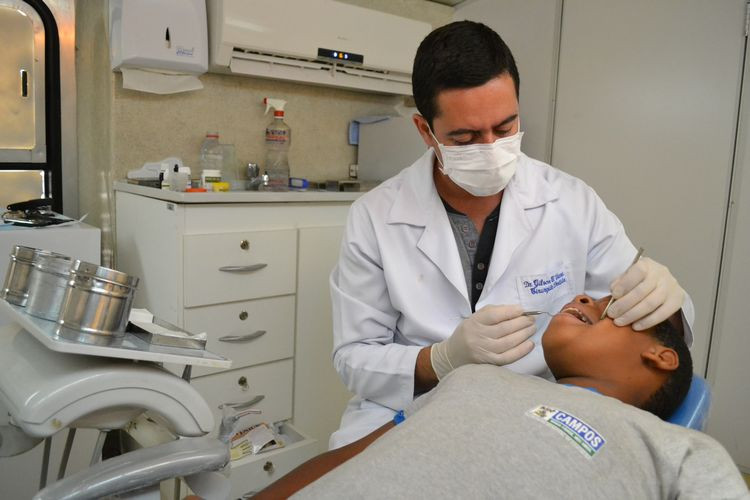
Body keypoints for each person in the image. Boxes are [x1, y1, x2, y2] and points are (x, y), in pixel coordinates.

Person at [329, 20, 694, 448]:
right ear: (426, 131)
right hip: (409, 410)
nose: (489, 147)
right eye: (464, 137)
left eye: (504, 129)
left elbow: (645, 335)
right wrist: (441, 360)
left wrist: (665, 300)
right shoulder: (375, 217)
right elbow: (354, 358)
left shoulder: (572, 201)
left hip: (535, 411)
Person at [255, 295, 749, 499]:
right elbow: (351, 457)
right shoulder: (474, 380)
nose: (581, 298)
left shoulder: (672, 447)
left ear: (662, 356)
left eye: (610, 305)